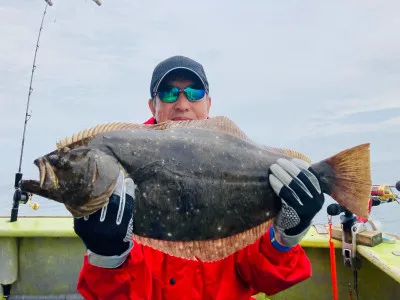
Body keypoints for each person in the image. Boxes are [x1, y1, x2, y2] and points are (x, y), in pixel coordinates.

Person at [73, 55, 325, 300]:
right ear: (153, 105)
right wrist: (108, 257)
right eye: (169, 93)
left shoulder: (237, 159)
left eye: (194, 93)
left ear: (208, 103)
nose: (182, 103)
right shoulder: (123, 164)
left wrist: (285, 237)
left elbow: (261, 278)